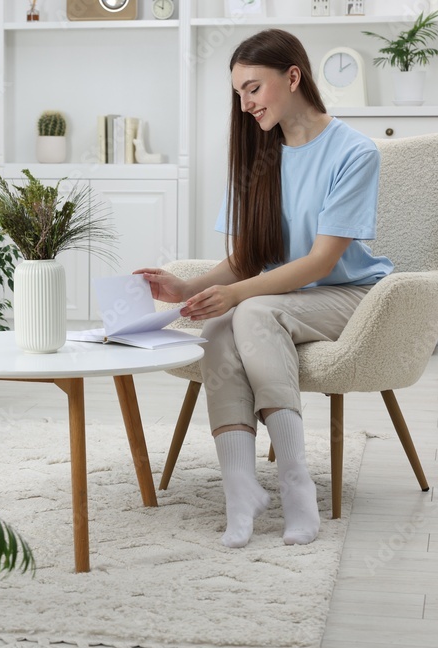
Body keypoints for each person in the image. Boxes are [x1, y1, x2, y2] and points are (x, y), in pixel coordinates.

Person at [136, 29, 392, 548]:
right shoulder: (260, 157)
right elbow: (248, 258)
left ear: (292, 76)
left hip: (348, 296)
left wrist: (241, 294)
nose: (246, 103)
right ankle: (240, 489)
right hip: (283, 299)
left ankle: (296, 485)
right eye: (239, 93)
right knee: (221, 326)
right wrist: (188, 285)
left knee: (250, 312)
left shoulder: (354, 152)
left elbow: (321, 260)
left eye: (253, 88)